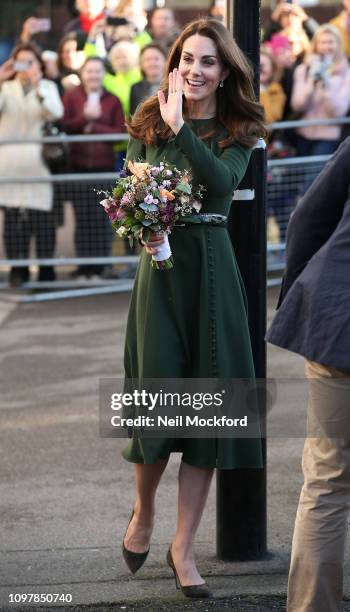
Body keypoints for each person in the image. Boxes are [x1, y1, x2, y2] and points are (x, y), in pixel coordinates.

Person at [120, 17, 265, 598]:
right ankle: (143, 512)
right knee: (158, 402)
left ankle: (184, 548)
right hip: (161, 273)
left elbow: (219, 186)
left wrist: (183, 133)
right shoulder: (148, 120)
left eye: (208, 61)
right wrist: (142, 230)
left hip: (212, 270)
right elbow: (128, 190)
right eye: (187, 59)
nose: (195, 70)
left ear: (225, 70)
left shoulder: (240, 130)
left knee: (206, 410)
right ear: (174, 63)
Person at [266, 138, 350, 612]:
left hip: (335, 320)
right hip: (335, 320)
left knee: (326, 478)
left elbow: (306, 218)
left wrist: (305, 294)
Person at [0, 43, 63, 286]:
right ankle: (19, 270)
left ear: (38, 65)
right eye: (21, 62)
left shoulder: (47, 87)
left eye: (30, 62)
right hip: (10, 163)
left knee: (43, 219)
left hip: (40, 163)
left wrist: (38, 87)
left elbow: (56, 112)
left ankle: (46, 270)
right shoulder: (6, 88)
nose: (25, 68)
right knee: (13, 220)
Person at [61, 56, 125, 279]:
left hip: (103, 167)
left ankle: (99, 266)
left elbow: (119, 131)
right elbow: (65, 125)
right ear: (82, 74)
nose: (93, 75)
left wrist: (94, 126)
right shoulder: (71, 96)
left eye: (97, 71)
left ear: (103, 74)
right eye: (89, 71)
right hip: (78, 167)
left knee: (100, 219)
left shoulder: (113, 100)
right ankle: (84, 266)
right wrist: (83, 120)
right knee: (82, 218)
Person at [291, 24, 350, 158]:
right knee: (299, 176)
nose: (326, 46)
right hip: (302, 134)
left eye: (331, 42)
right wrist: (312, 79)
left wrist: (326, 84)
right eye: (322, 42)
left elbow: (338, 112)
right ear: (316, 45)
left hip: (328, 138)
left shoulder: (347, 73)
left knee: (316, 177)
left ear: (338, 45)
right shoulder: (303, 70)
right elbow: (297, 105)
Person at [129, 43, 167, 115]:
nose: (152, 63)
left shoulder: (173, 86)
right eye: (147, 60)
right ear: (141, 64)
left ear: (165, 61)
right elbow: (133, 117)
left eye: (156, 59)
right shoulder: (135, 88)